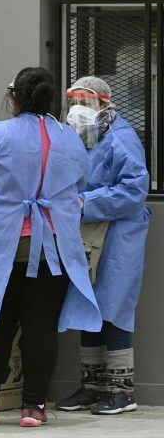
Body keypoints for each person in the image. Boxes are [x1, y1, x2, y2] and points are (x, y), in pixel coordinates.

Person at [0, 67, 102, 428]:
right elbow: (81, 180)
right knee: (41, 327)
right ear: (50, 99)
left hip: (1, 246)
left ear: (13, 96)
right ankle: (34, 407)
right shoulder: (70, 138)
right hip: (55, 247)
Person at [56, 76, 150, 415]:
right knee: (88, 304)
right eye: (74, 101)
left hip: (119, 233)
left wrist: (86, 202)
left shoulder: (121, 137)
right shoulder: (84, 136)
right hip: (87, 232)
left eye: (86, 101)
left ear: (105, 103)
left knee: (114, 306)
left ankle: (122, 390)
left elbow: (134, 190)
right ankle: (92, 387)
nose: (79, 108)